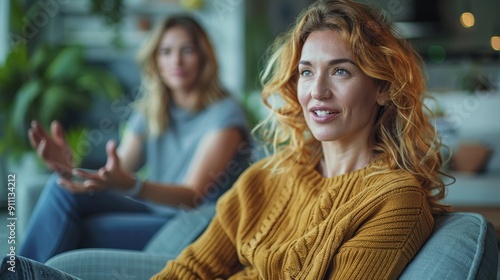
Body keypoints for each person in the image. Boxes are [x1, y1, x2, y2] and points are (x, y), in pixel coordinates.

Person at [3, 0, 450, 279]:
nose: (317, 91)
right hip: (175, 228)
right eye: (307, 72)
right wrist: (74, 168)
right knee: (28, 258)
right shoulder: (270, 177)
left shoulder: (394, 200)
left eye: (341, 71)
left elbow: (191, 194)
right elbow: (192, 267)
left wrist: (127, 184)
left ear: (383, 87)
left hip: (180, 215)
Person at [18, 14, 251, 263]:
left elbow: (192, 195)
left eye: (187, 50)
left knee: (84, 229)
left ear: (204, 58)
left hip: (190, 225)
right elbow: (117, 170)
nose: (176, 61)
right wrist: (70, 167)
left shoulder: (224, 114)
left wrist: (133, 185)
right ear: (155, 59)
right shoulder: (152, 108)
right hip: (152, 209)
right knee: (59, 187)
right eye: (166, 52)